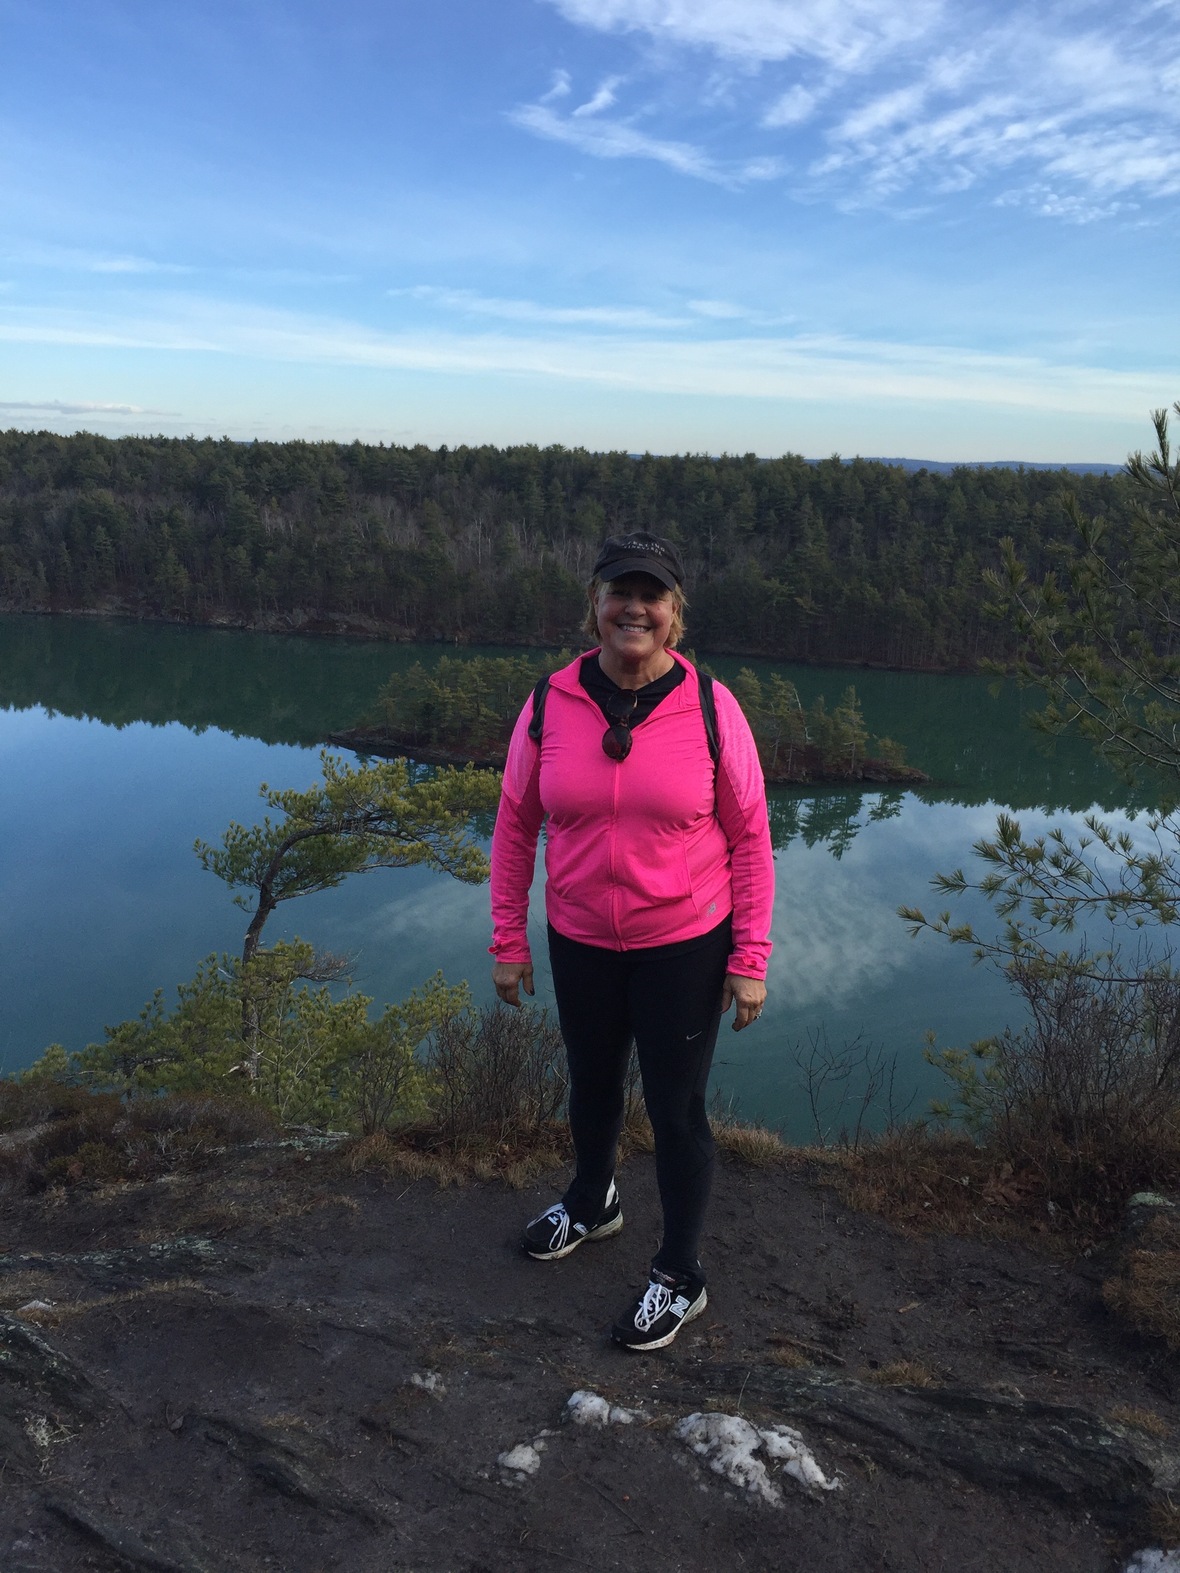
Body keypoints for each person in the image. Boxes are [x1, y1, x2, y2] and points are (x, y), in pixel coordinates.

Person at [489, 532, 774, 1351]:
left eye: (652, 595)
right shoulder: (550, 702)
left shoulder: (713, 709)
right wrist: (509, 938)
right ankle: (592, 1201)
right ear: (596, 606)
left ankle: (681, 1274)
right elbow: (516, 824)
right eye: (621, 592)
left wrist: (748, 958)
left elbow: (750, 837)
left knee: (676, 1109)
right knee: (590, 1081)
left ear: (674, 615)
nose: (634, 608)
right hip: (579, 934)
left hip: (684, 942)